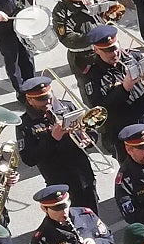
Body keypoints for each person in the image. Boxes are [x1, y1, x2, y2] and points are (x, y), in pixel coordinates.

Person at [19, 76, 105, 214]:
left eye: (49, 96)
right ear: (29, 100)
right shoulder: (25, 124)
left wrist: (89, 139)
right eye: (41, 99)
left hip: (83, 176)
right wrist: (52, 139)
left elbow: (90, 128)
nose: (48, 102)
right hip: (59, 182)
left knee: (92, 215)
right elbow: (29, 158)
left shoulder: (67, 107)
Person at [83, 25, 144, 151]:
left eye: (115, 48)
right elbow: (100, 107)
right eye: (108, 51)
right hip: (125, 132)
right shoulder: (92, 76)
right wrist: (124, 88)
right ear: (96, 50)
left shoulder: (134, 57)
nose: (114, 54)